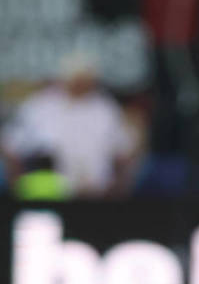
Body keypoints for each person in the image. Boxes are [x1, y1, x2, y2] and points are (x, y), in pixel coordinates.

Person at [0, 51, 135, 199]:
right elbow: (10, 146)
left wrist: (117, 187)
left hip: (96, 195)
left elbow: (124, 152)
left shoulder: (105, 108)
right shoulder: (40, 106)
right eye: (76, 77)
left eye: (85, 77)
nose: (80, 82)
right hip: (48, 196)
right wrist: (18, 185)